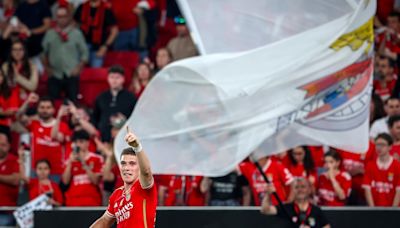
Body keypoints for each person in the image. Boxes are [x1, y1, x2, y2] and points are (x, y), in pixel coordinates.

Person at [90, 126, 157, 227]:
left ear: (140, 167)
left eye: (132, 163)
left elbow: (146, 172)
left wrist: (137, 147)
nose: (126, 168)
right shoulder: (116, 195)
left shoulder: (143, 187)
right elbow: (104, 221)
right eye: (123, 163)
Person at [42, 6, 88, 102]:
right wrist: (47, 68)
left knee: (73, 102)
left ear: (69, 17)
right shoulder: (50, 33)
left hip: (71, 73)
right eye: (59, 16)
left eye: (64, 16)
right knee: (51, 102)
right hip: (55, 74)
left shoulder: (77, 34)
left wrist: (79, 67)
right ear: (56, 18)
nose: (62, 19)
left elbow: (85, 53)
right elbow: (43, 52)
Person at [18, 96, 71, 178]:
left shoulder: (62, 126)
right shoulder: (34, 124)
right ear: (37, 109)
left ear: (54, 110)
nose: (45, 110)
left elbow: (57, 137)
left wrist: (58, 117)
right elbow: (18, 116)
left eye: (48, 107)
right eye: (42, 107)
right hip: (36, 171)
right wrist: (27, 102)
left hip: (56, 172)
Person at [261, 177, 331, 228]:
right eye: (297, 187)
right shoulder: (286, 208)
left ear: (309, 190)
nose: (300, 190)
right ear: (293, 190)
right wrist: (268, 194)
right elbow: (265, 210)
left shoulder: (316, 210)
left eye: (303, 187)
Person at [92, 65, 136, 142]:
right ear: (108, 79)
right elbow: (95, 117)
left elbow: (135, 118)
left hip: (124, 138)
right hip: (104, 139)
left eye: (117, 77)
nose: (114, 80)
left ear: (123, 79)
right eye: (112, 77)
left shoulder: (131, 98)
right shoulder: (101, 97)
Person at [62, 130, 103, 206]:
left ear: (88, 143)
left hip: (92, 200)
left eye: (81, 142)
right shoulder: (69, 160)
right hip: (73, 201)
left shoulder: (97, 158)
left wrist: (83, 162)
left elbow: (96, 181)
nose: (78, 145)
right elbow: (65, 181)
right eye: (76, 142)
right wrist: (70, 162)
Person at [74, 0, 118, 67]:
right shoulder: (82, 7)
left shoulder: (106, 8)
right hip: (82, 46)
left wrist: (105, 47)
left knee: (95, 71)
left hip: (98, 47)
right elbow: (74, 26)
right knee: (77, 71)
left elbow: (114, 31)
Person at [363, 133, 400, 206]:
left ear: (390, 147)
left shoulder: (397, 166)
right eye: (377, 144)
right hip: (375, 210)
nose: (379, 148)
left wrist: (393, 211)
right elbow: (367, 189)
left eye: (382, 145)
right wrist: (373, 210)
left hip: (394, 210)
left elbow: (399, 191)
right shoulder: (370, 165)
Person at [0, 133, 19, 226]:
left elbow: (16, 180)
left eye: (3, 145)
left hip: (6, 210)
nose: (0, 147)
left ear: (9, 146)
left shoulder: (14, 160)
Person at [0, 67, 20, 134]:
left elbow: (13, 111)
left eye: (0, 75)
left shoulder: (11, 91)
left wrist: (3, 112)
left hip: (5, 124)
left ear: (3, 77)